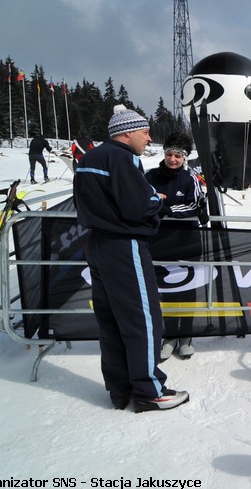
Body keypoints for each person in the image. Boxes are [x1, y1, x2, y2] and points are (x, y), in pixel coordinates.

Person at [73, 105, 189, 412]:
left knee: (111, 321)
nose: (149, 139)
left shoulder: (90, 158)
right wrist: (157, 199)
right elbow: (137, 204)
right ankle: (149, 390)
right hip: (124, 246)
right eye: (145, 131)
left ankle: (120, 390)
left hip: (97, 244)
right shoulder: (123, 158)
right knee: (143, 318)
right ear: (126, 132)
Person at [145, 132, 205, 361]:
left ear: (185, 158)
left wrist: (166, 208)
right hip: (159, 241)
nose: (172, 159)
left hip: (187, 241)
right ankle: (169, 335)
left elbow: (195, 206)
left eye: (177, 156)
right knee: (166, 290)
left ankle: (186, 335)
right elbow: (141, 200)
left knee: (188, 288)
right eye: (169, 154)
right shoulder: (149, 176)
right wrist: (155, 205)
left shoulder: (190, 179)